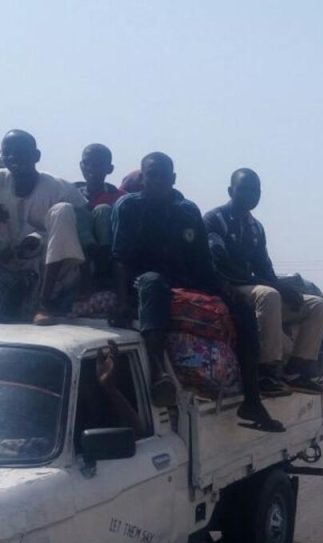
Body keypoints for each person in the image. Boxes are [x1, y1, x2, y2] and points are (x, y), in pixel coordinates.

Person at [111, 152, 283, 432]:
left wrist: (224, 289)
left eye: (163, 175)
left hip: (186, 277)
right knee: (153, 283)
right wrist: (120, 302)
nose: (157, 181)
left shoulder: (187, 211)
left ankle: (251, 398)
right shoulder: (128, 207)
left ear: (173, 179)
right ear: (142, 178)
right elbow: (120, 258)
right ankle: (159, 373)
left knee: (240, 305)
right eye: (151, 175)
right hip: (144, 279)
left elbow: (203, 261)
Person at [205, 168, 323, 395]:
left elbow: (264, 268)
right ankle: (267, 372)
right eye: (244, 189)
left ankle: (297, 371)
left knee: (316, 305)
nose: (251, 195)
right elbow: (220, 265)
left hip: (252, 288)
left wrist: (284, 288)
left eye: (255, 191)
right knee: (269, 295)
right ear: (231, 191)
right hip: (226, 288)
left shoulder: (256, 228)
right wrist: (273, 287)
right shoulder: (215, 220)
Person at [0, 129, 88, 324]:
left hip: (50, 272)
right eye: (7, 151)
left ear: (36, 156)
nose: (13, 156)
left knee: (63, 211)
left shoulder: (61, 188)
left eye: (21, 151)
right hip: (7, 265)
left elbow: (85, 234)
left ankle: (45, 305)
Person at [74, 143, 125, 295]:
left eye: (97, 164)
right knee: (77, 211)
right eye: (86, 163)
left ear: (109, 169)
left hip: (107, 253)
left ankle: (101, 275)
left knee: (103, 210)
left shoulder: (120, 197)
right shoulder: (70, 191)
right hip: (77, 253)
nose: (90, 168)